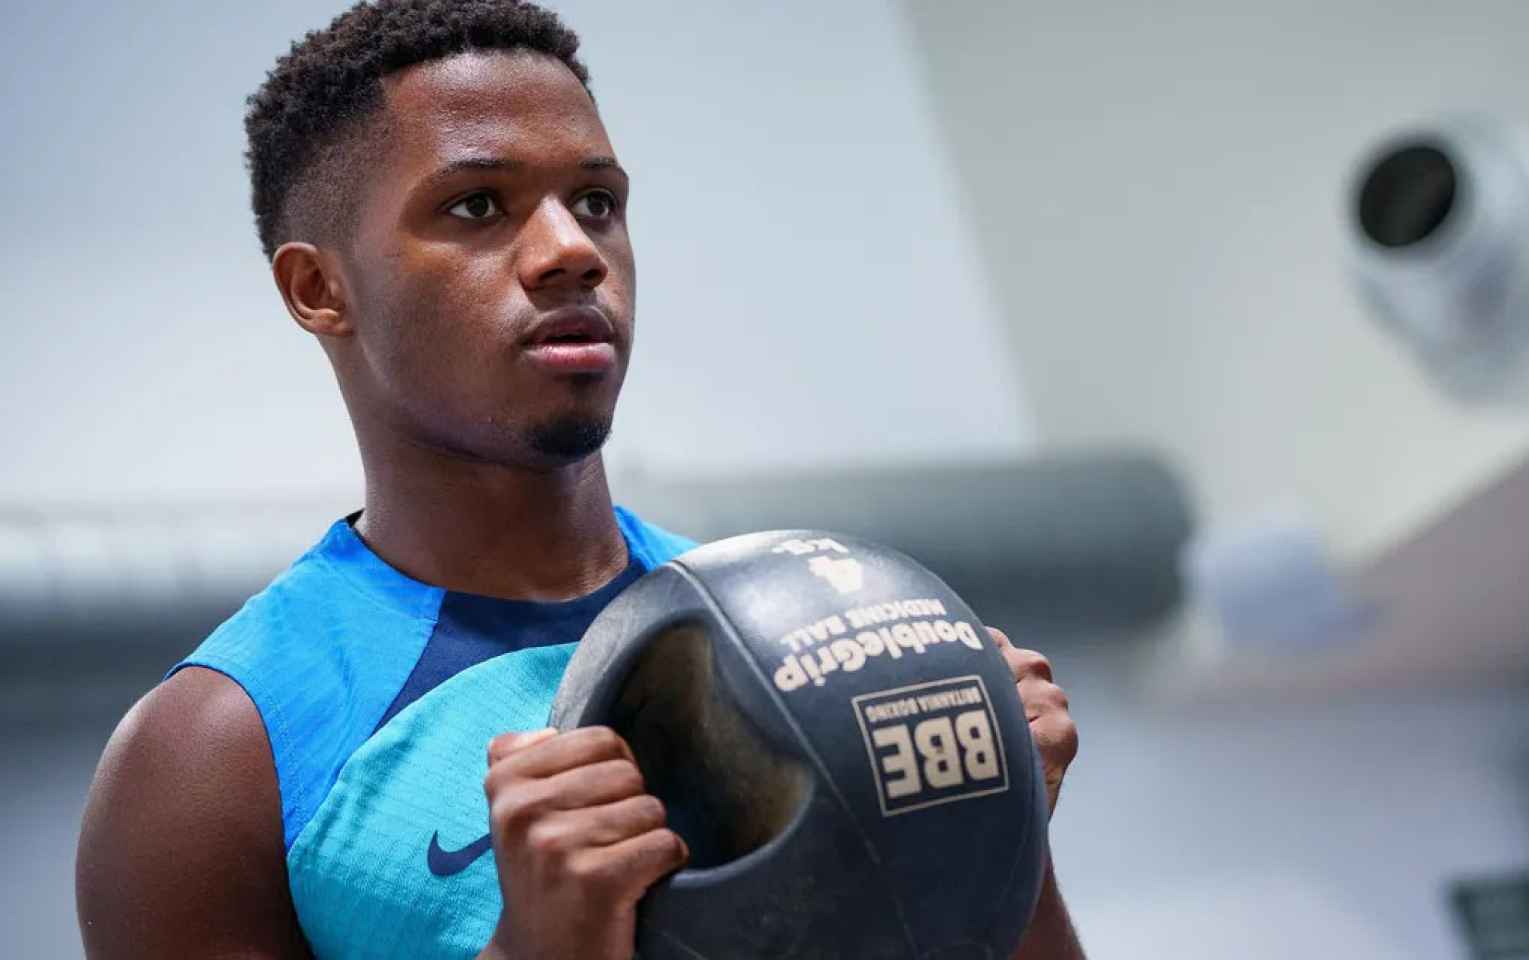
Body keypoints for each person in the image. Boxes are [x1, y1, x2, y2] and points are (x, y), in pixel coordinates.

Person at [75, 1, 1083, 957]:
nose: (571, 251)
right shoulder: (213, 758)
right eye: (477, 205)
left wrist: (995, 836)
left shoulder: (809, 631)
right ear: (318, 288)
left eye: (595, 201)